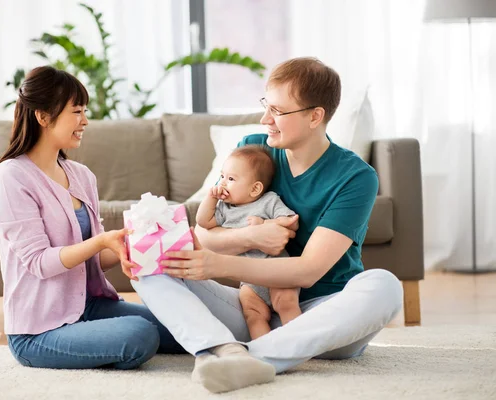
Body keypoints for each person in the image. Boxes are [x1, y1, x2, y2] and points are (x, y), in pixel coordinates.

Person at [130, 57, 403, 393]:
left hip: (323, 321)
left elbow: (307, 271)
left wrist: (221, 261)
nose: (265, 119)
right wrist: (253, 235)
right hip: (252, 308)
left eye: (277, 111)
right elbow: (204, 233)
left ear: (315, 116)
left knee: (385, 285)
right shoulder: (253, 151)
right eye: (265, 106)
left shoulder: (356, 178)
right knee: (146, 259)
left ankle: (252, 358)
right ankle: (222, 350)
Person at [0, 66, 183, 370]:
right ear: (43, 116)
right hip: (39, 329)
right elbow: (40, 262)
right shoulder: (11, 177)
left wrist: (130, 241)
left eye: (84, 111)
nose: (85, 121)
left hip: (90, 306)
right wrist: (101, 240)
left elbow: (95, 259)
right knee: (139, 334)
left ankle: (97, 342)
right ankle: (93, 346)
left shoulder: (81, 176)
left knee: (179, 320)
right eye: (76, 111)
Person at [195, 145, 302, 340]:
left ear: (255, 189)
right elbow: (203, 222)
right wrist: (210, 197)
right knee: (252, 314)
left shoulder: (268, 201)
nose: (223, 183)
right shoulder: (224, 208)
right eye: (222, 176)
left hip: (277, 270)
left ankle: (298, 344)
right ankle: (264, 348)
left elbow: (291, 223)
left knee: (286, 303)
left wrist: (265, 223)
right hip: (250, 280)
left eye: (231, 179)